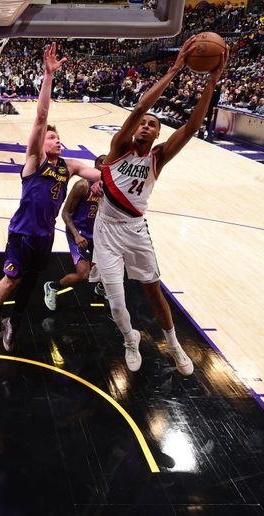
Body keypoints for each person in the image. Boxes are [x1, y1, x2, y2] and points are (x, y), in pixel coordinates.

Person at [95, 36, 226, 376]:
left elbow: (193, 126)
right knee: (116, 299)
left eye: (153, 125)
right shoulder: (118, 148)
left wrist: (211, 81)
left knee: (153, 291)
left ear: (156, 135)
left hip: (135, 230)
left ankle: (174, 343)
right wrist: (175, 69)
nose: (146, 125)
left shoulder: (159, 157)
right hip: (106, 231)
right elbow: (139, 108)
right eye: (143, 122)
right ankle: (129, 338)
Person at [0, 43, 103, 352]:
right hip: (21, 233)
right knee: (11, 280)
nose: (56, 140)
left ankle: (15, 320)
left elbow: (101, 173)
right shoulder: (34, 162)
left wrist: (112, 178)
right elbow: (41, 118)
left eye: (58, 137)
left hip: (44, 236)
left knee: (29, 283)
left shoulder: (70, 166)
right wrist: (48, 76)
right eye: (52, 137)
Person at [43, 155, 106, 310]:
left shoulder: (110, 188)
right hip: (78, 232)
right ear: (95, 167)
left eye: (108, 164)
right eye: (101, 164)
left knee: (113, 263)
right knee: (84, 274)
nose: (104, 167)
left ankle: (101, 288)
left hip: (98, 233)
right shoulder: (82, 186)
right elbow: (65, 213)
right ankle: (53, 286)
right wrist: (77, 235)